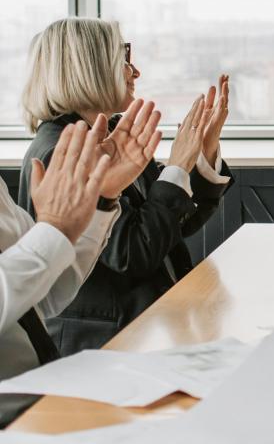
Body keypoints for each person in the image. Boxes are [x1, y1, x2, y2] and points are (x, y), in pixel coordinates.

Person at [18, 18, 234, 355]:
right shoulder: (60, 150)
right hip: (104, 346)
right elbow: (133, 252)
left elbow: (171, 225)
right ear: (89, 69)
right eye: (123, 59)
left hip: (151, 327)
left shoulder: (114, 131)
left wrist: (199, 156)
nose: (135, 72)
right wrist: (177, 166)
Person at [0, 100, 161, 424]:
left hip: (45, 395)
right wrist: (53, 230)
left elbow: (43, 298)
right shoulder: (50, 145)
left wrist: (102, 198)